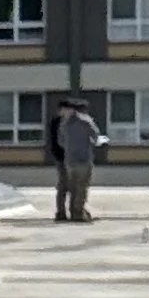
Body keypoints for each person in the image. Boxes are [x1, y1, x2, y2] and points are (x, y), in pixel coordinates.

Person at [51, 93, 103, 222]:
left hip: (69, 160)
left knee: (73, 187)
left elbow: (60, 141)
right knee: (82, 187)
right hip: (84, 158)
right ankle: (78, 213)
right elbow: (96, 136)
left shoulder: (64, 124)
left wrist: (69, 149)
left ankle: (73, 212)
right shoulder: (86, 121)